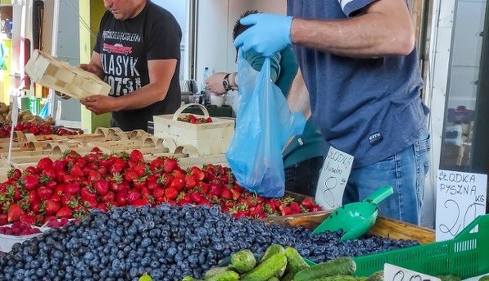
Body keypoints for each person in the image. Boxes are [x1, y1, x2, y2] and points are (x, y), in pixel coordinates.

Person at [233, 0, 430, 224]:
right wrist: (272, 143)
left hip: (382, 148)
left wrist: (291, 29)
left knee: (385, 256)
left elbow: (396, 33)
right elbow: (311, 74)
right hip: (339, 155)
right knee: (340, 255)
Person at [207, 11, 327, 197]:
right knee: (301, 219)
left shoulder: (252, 41)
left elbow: (262, 79)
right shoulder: (288, 46)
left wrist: (226, 81)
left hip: (290, 155)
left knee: (287, 221)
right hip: (310, 149)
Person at [78, 0, 181, 132]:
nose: (107, 4)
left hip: (156, 133)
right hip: (119, 129)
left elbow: (158, 89)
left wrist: (114, 104)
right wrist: (74, 81)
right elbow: (97, 67)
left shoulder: (161, 23)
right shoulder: (109, 17)